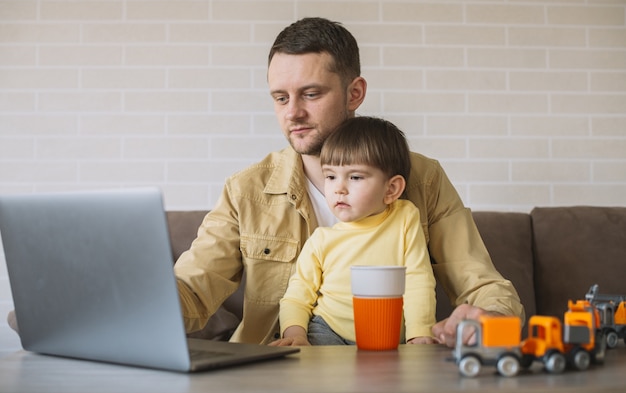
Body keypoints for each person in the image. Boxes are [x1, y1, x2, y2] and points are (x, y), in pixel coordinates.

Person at [7, 17, 523, 346]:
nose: (293, 114)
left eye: (311, 94)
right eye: (280, 97)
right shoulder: (246, 189)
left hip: (387, 369)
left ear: (355, 91)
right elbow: (190, 291)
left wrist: (484, 317)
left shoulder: (421, 177)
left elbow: (484, 285)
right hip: (268, 373)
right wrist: (98, 309)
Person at [272, 116, 436, 346]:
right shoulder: (321, 240)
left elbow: (418, 279)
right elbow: (298, 295)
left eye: (355, 177)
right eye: (330, 176)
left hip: (387, 336)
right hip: (329, 331)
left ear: (391, 189)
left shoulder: (405, 218)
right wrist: (295, 335)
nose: (338, 189)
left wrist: (420, 333)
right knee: (310, 370)